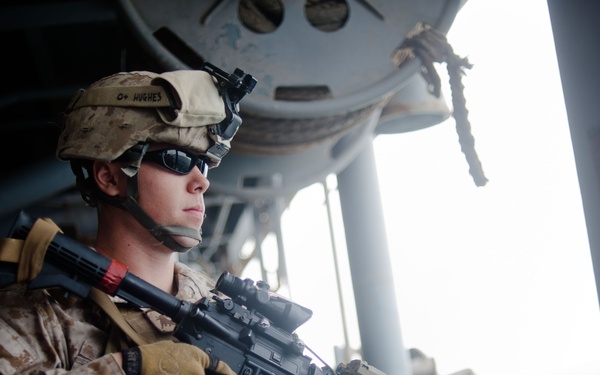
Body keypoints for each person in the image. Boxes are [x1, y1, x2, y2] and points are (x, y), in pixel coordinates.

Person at [0, 67, 255, 374]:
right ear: (109, 177)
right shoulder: (37, 316)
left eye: (204, 164)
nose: (202, 182)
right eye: (179, 160)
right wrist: (131, 368)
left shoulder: (232, 314)